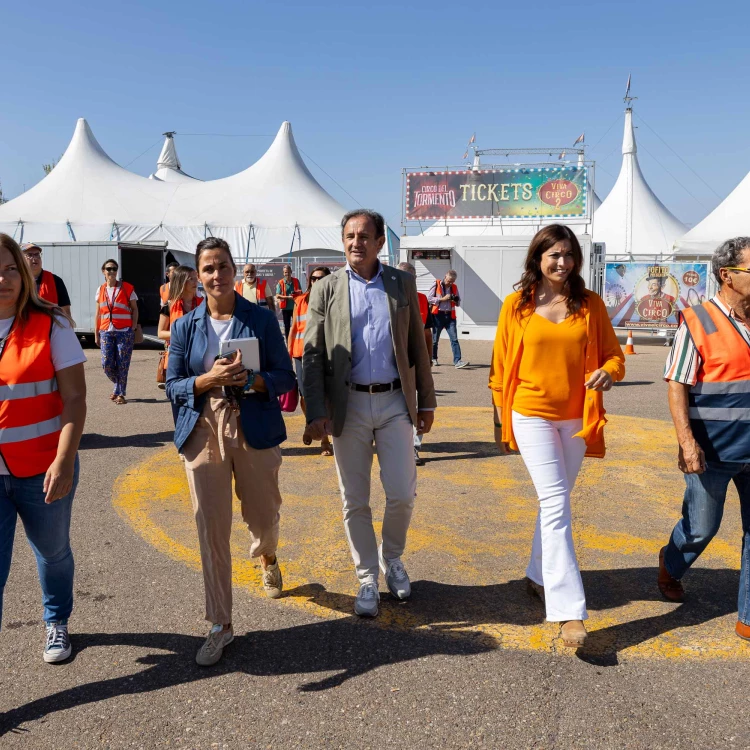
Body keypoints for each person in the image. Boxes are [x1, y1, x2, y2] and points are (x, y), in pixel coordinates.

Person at [489, 224, 625, 649]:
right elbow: (498, 370)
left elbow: (615, 357)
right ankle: (568, 611)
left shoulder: (590, 305)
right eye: (554, 255)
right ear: (537, 258)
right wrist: (500, 423)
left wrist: (609, 372)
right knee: (555, 502)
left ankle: (536, 574)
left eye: (569, 255)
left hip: (577, 420)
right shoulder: (516, 306)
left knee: (557, 501)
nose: (562, 263)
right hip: (531, 415)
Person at [166, 237, 296, 666]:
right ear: (197, 276)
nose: (216, 275)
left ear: (234, 270)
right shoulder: (186, 326)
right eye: (208, 268)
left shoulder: (259, 317)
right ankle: (220, 623)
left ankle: (268, 556)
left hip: (253, 421)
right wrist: (206, 381)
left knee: (263, 514)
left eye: (223, 266)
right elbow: (173, 385)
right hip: (204, 428)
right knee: (211, 526)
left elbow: (285, 376)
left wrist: (253, 380)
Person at [304, 210, 437, 618]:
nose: (355, 242)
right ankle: (366, 577)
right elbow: (311, 353)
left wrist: (426, 401)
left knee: (401, 493)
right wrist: (315, 410)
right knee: (354, 499)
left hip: (396, 402)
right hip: (349, 405)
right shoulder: (326, 288)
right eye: (349, 235)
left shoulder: (401, 284)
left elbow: (419, 345)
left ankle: (391, 557)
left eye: (364, 236)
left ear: (381, 242)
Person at [0, 233, 87, 663]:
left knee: (52, 554)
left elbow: (75, 398)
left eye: (11, 268)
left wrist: (65, 462)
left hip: (42, 470)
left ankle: (56, 620)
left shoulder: (51, 324)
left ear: (25, 272)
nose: (4, 278)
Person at [660, 237, 750, 642]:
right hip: (713, 451)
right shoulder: (698, 320)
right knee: (701, 529)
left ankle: (747, 616)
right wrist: (686, 443)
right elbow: (677, 383)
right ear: (726, 275)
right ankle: (671, 562)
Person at [288, 266, 333, 456]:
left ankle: (326, 436)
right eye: (313, 278)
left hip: (327, 354)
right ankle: (315, 429)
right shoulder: (300, 301)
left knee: (327, 396)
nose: (316, 281)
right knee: (305, 396)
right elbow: (294, 328)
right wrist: (287, 354)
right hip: (301, 354)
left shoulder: (335, 300)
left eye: (321, 278)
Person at [398, 261, 434, 466]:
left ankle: (414, 447)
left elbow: (427, 332)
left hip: (416, 361)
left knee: (419, 405)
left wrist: (428, 360)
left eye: (409, 278)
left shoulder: (421, 300)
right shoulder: (386, 296)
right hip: (395, 363)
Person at [94, 259, 139, 405]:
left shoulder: (127, 288)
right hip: (106, 330)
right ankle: (118, 385)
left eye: (114, 269)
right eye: (109, 269)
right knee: (106, 364)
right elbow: (98, 314)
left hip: (124, 331)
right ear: (103, 272)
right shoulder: (100, 289)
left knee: (122, 363)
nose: (111, 272)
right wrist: (96, 333)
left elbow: (135, 308)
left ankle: (120, 393)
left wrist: (132, 327)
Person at [157, 266, 203, 391]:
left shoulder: (204, 304)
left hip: (199, 354)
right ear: (182, 282)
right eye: (191, 279)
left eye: (196, 278)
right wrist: (180, 334)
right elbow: (160, 333)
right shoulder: (169, 305)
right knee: (179, 392)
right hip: (177, 355)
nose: (196, 282)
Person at [428, 269, 469, 368]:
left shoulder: (454, 287)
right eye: (449, 280)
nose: (450, 283)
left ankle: (458, 361)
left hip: (450, 316)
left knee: (454, 339)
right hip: (438, 315)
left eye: (452, 281)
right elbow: (429, 298)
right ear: (445, 276)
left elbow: (458, 303)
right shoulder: (436, 284)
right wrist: (443, 299)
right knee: (434, 340)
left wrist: (455, 300)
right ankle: (433, 358)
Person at [21, 242, 72, 318]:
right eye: (30, 255)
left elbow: (66, 311)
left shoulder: (55, 281)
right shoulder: (17, 281)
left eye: (37, 254)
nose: (34, 258)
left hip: (50, 328)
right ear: (21, 259)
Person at [276, 264, 301, 339]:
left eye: (288, 272)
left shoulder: (296, 281)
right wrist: (288, 297)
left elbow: (300, 291)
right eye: (285, 272)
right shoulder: (280, 282)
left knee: (296, 325)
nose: (286, 274)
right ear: (283, 273)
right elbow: (277, 295)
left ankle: (296, 340)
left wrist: (296, 294)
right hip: (285, 308)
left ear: (291, 272)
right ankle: (288, 341)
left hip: (295, 307)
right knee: (286, 326)